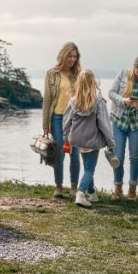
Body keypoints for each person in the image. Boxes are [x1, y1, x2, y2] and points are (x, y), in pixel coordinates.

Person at [63, 70, 116, 208]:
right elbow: (105, 124)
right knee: (90, 169)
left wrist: (65, 138)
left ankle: (91, 193)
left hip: (78, 140)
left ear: (78, 84)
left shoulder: (73, 101)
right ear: (93, 83)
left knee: (87, 167)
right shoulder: (98, 101)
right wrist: (111, 142)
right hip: (92, 140)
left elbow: (66, 121)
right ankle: (81, 194)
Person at [107, 56, 138, 200]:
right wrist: (123, 101)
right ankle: (118, 187)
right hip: (119, 121)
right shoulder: (122, 74)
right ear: (134, 68)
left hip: (136, 124)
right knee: (118, 156)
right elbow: (111, 93)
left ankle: (132, 188)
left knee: (134, 156)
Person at [42, 42, 82, 198]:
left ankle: (73, 187)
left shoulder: (78, 74)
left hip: (75, 119)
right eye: (70, 56)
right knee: (59, 152)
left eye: (75, 56)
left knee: (75, 153)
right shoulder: (51, 74)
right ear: (63, 56)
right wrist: (45, 125)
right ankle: (58, 186)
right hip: (57, 118)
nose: (72, 59)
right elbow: (47, 100)